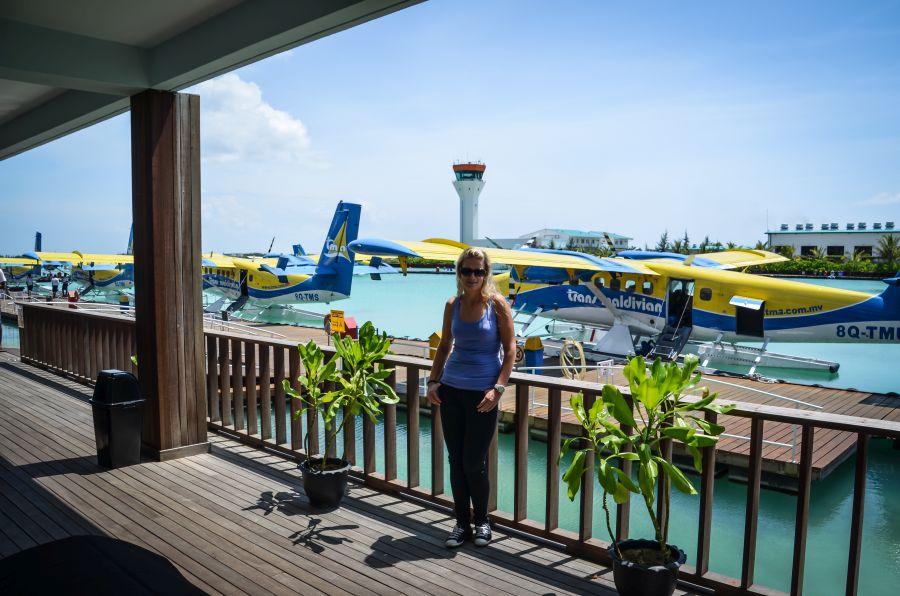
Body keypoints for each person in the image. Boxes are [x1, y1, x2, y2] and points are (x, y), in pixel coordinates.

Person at [426, 247, 516, 549]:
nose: (473, 276)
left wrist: (498, 388)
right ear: (459, 273)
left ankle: (483, 521)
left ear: (486, 273)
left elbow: (510, 349)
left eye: (479, 271)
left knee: (474, 463)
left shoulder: (497, 304)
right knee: (456, 461)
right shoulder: (452, 304)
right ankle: (461, 523)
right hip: (451, 391)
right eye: (467, 270)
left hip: (483, 395)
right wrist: (433, 381)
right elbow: (444, 346)